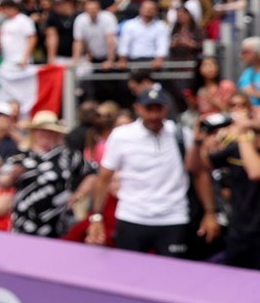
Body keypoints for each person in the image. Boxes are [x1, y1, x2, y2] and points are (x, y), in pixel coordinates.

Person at [92, 84, 218, 257]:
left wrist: (210, 213)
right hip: (132, 217)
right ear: (137, 108)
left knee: (174, 278)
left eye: (158, 109)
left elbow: (199, 173)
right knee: (129, 278)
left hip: (174, 217)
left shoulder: (181, 134)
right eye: (148, 109)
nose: (153, 115)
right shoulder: (121, 136)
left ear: (166, 108)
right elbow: (104, 177)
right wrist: (97, 217)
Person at [5, 111, 99, 238]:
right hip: (25, 219)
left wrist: (79, 194)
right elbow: (2, 181)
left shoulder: (68, 155)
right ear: (34, 132)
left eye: (50, 131)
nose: (45, 134)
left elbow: (93, 172)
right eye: (41, 130)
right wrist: (12, 176)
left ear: (56, 134)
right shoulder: (21, 154)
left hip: (58, 221)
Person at [204, 108, 260, 270]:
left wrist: (242, 133)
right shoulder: (239, 147)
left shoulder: (243, 143)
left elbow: (255, 172)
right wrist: (202, 141)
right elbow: (206, 165)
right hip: (239, 231)